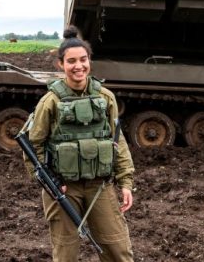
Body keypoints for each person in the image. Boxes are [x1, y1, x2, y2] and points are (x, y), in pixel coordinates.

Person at [24, 26, 135, 261]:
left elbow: (117, 140)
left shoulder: (105, 97)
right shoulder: (50, 101)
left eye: (83, 60)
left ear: (89, 61)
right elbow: (34, 145)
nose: (78, 66)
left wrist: (125, 181)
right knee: (66, 253)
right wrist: (50, 182)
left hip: (100, 184)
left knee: (117, 249)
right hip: (64, 189)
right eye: (71, 61)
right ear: (60, 64)